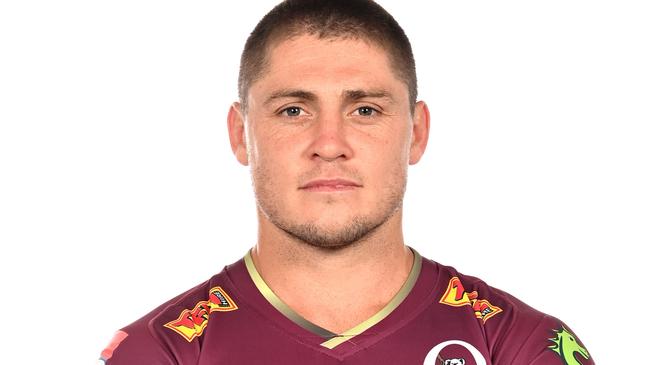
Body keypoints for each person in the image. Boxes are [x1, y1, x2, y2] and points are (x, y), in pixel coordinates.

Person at [99, 1, 594, 364]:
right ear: (241, 134)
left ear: (416, 133)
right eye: (294, 110)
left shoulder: (522, 348)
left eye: (365, 110)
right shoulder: (159, 352)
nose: (330, 143)